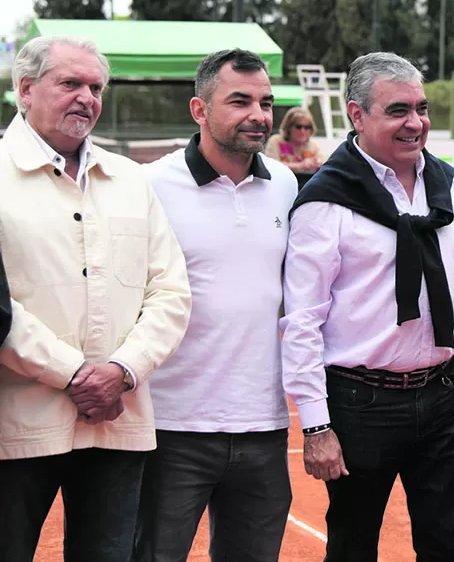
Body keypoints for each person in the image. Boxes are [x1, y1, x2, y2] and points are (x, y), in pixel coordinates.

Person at [281, 52, 454, 561]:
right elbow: (303, 320)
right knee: (353, 547)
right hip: (360, 405)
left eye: (421, 108)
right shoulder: (326, 198)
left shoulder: (448, 183)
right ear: (357, 115)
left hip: (443, 394)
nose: (415, 123)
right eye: (398, 110)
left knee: (447, 548)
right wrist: (316, 426)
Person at [0, 36, 191, 562]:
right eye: (70, 84)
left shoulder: (130, 179)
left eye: (95, 87)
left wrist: (121, 371)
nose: (87, 97)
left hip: (116, 421)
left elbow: (170, 290)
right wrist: (74, 373)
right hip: (18, 428)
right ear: (25, 90)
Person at [135, 50, 298, 562]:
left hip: (264, 427)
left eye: (266, 102)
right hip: (170, 427)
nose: (259, 115)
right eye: (240, 101)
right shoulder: (149, 186)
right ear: (199, 111)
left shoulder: (286, 185)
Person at [265, 105, 325, 173]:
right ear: (288, 127)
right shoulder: (276, 141)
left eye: (307, 127)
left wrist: (318, 163)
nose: (303, 131)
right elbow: (271, 165)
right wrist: (300, 165)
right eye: (298, 127)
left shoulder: (313, 146)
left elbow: (322, 163)